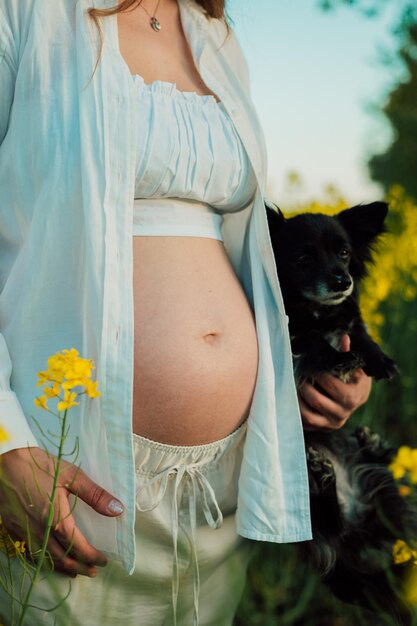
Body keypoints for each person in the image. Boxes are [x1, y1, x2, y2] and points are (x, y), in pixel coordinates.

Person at [0, 0, 371, 624]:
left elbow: (241, 249)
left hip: (217, 501)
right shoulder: (25, 13)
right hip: (68, 472)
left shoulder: (215, 37)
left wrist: (325, 363)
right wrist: (3, 444)